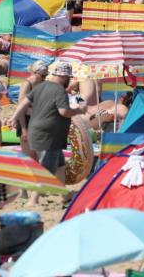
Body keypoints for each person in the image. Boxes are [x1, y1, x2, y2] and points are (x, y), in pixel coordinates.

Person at [6, 63, 86, 202]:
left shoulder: (42, 86)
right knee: (46, 168)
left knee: (60, 165)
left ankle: (64, 195)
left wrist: (13, 117)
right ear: (63, 76)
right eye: (68, 78)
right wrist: (79, 111)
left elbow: (23, 103)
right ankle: (33, 200)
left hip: (36, 130)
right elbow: (64, 112)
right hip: (50, 134)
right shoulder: (59, 90)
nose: (69, 80)